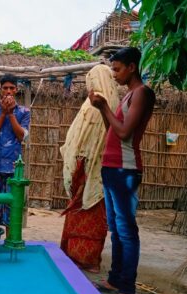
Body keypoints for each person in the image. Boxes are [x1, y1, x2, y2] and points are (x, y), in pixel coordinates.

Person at [89, 47, 156, 294]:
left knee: (127, 231)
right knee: (116, 228)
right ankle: (115, 279)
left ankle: (127, 289)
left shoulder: (142, 93)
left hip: (125, 170)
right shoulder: (128, 95)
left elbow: (126, 134)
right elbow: (113, 132)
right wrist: (104, 109)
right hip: (112, 168)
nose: (114, 74)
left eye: (117, 69)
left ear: (131, 67)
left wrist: (105, 105)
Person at [59, 64, 120, 273]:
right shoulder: (98, 104)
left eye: (91, 81)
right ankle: (84, 257)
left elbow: (104, 139)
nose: (90, 87)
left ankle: (85, 258)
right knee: (87, 214)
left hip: (91, 171)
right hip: (87, 171)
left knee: (91, 213)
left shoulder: (105, 105)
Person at [0, 74, 30, 228]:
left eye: (12, 88)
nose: (8, 91)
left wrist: (10, 114)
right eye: (5, 88)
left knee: (12, 206)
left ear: (16, 90)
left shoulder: (24, 112)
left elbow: (21, 136)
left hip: (13, 167)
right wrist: (3, 113)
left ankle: (10, 241)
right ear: (1, 89)